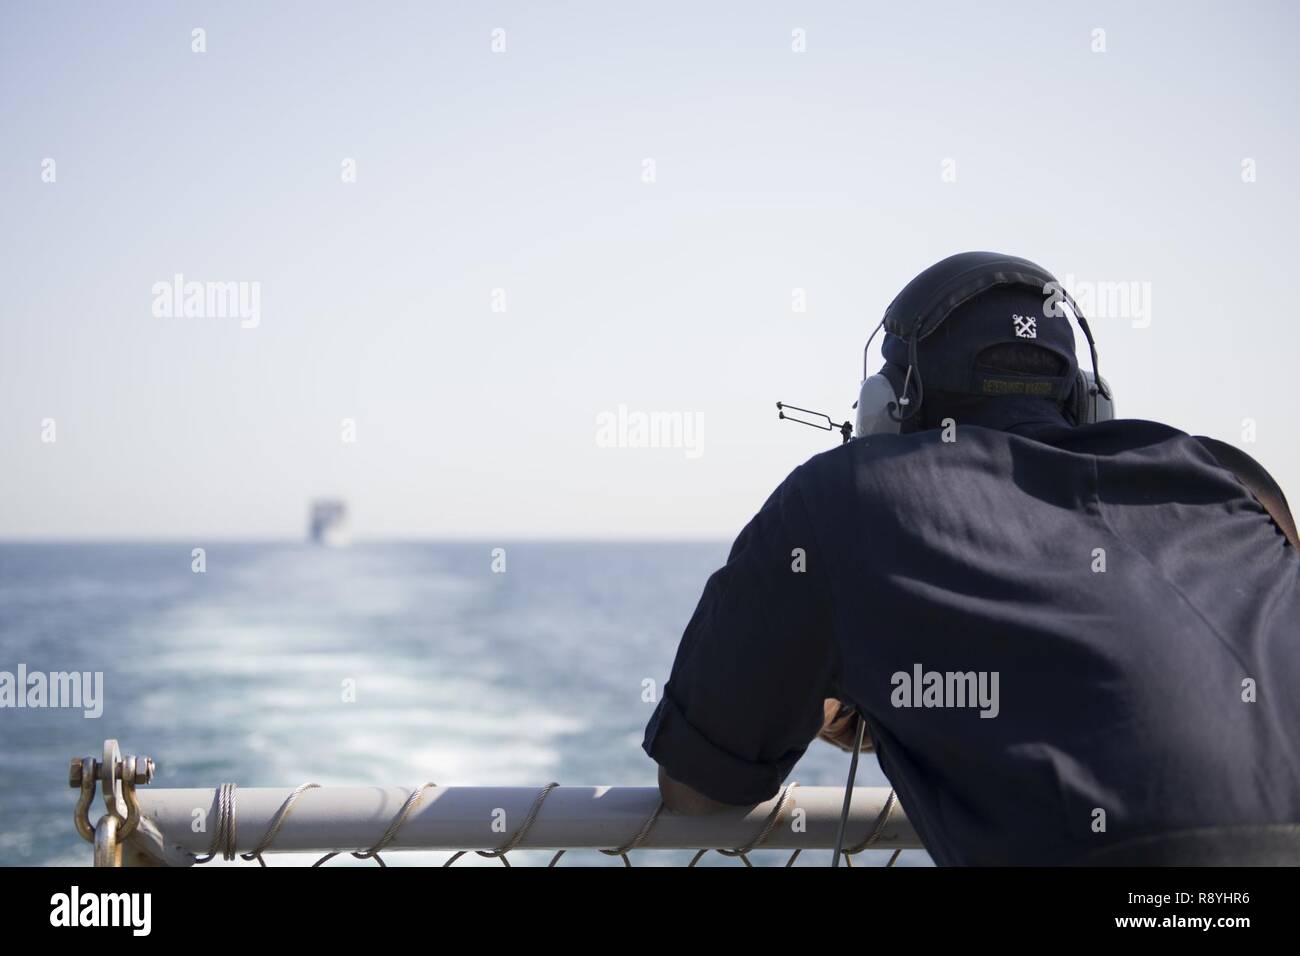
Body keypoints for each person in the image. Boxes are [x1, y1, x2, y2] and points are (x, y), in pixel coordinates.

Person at [641, 251, 1300, 865]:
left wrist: (853, 696)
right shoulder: (1229, 480)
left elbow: (699, 789)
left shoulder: (840, 495)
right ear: (1088, 401)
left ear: (888, 410)